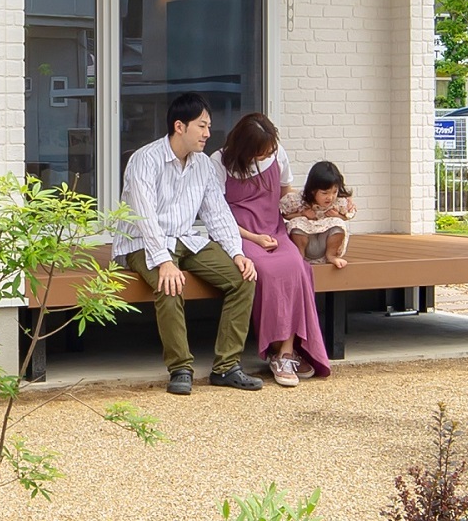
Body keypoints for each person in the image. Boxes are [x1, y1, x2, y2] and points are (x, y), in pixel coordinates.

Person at [114, 92, 263, 394]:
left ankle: (226, 367)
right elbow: (144, 218)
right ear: (179, 126)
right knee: (169, 284)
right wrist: (164, 262)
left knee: (242, 279)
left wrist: (237, 252)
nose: (209, 133)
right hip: (143, 242)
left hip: (186, 238)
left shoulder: (204, 166)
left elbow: (217, 213)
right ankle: (181, 367)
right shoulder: (145, 160)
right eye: (202, 126)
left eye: (209, 127)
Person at [217, 113, 332, 387]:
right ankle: (274, 349)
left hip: (274, 229)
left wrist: (309, 210)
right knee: (266, 271)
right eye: (261, 152)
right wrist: (254, 238)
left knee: (296, 265)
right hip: (239, 233)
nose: (267, 154)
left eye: (269, 149)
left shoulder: (278, 154)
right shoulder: (218, 162)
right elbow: (217, 214)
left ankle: (287, 352)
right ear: (246, 149)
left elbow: (285, 194)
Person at [283, 161, 356, 269]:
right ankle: (299, 257)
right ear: (313, 191)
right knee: (295, 224)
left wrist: (337, 216)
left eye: (334, 192)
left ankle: (331, 255)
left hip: (325, 243)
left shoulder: (339, 202)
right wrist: (302, 214)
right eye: (325, 193)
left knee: (338, 224)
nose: (330, 197)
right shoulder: (299, 201)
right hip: (307, 242)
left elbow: (349, 215)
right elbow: (285, 215)